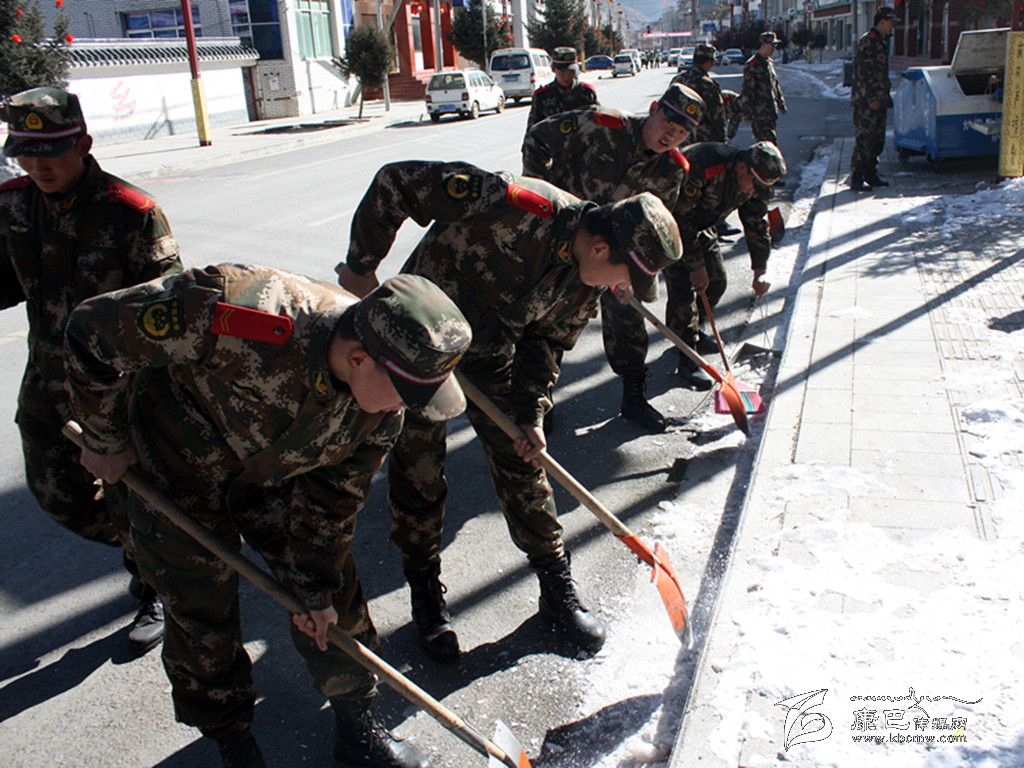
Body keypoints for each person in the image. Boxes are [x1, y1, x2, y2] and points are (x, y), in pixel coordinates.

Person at [66, 265, 471, 768]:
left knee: (334, 601)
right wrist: (104, 439)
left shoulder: (381, 411)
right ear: (358, 359)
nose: (408, 408)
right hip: (176, 465)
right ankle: (232, 741)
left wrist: (314, 591)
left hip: (275, 471)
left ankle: (357, 730)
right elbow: (92, 329)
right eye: (408, 392)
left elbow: (333, 502)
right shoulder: (240, 312)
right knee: (200, 613)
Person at [336, 160, 682, 662]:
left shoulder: (587, 279)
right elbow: (397, 183)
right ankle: (426, 593)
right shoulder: (514, 205)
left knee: (524, 463)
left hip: (488, 354)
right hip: (418, 349)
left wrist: (531, 413)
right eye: (623, 276)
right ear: (601, 248)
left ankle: (555, 588)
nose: (617, 289)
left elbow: (548, 341)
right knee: (418, 472)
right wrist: (361, 264)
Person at [0, 86, 182, 656]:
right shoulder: (12, 205)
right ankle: (149, 551)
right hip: (47, 385)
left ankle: (155, 584)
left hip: (120, 392)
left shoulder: (132, 214)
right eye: (26, 153)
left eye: (51, 152)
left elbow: (170, 319)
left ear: (83, 144)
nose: (39, 166)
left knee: (134, 496)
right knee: (57, 494)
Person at [521, 83, 705, 433]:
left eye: (682, 133)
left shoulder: (672, 170)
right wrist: (543, 197)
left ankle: (633, 398)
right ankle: (538, 402)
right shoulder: (603, 125)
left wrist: (635, 277)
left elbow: (658, 228)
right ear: (654, 108)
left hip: (617, 257)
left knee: (628, 322)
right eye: (669, 123)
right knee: (547, 325)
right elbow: (538, 138)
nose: (672, 136)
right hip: (568, 244)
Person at [670, 141, 787, 388]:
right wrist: (696, 266)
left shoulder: (753, 182)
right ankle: (687, 357)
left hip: (702, 226)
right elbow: (680, 218)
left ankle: (695, 331)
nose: (754, 191)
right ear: (743, 168)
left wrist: (760, 270)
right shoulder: (704, 165)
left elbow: (756, 223)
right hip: (672, 226)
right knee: (684, 292)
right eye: (754, 185)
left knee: (716, 282)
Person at [850, 7, 897, 191]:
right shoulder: (868, 41)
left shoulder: (880, 42)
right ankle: (857, 177)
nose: (892, 26)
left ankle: (871, 173)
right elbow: (863, 73)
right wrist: (871, 98)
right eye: (891, 22)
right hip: (867, 102)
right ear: (882, 22)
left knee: (877, 140)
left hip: (879, 100)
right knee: (865, 139)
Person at [672, 43, 726, 142]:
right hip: (702, 139)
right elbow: (717, 115)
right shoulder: (708, 84)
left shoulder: (678, 79)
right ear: (708, 62)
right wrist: (723, 140)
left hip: (678, 137)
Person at [741, 32, 787, 143]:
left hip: (770, 112)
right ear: (764, 44)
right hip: (759, 114)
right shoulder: (752, 64)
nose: (774, 48)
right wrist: (747, 113)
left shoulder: (769, 63)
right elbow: (748, 91)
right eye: (772, 45)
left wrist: (780, 102)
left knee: (769, 144)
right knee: (767, 145)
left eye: (775, 45)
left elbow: (775, 84)